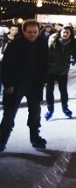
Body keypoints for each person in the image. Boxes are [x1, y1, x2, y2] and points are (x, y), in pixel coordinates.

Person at [0, 20, 49, 151]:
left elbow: (45, 63)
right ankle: (2, 140)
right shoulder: (14, 45)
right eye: (29, 32)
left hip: (35, 84)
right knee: (9, 114)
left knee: (35, 113)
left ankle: (35, 137)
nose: (32, 35)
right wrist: (8, 84)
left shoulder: (42, 43)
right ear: (23, 31)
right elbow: (6, 66)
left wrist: (44, 79)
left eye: (35, 32)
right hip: (16, 85)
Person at [45, 25, 76, 120]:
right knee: (49, 91)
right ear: (60, 33)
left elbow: (75, 54)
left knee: (63, 91)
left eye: (67, 32)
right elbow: (46, 54)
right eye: (64, 32)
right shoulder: (53, 41)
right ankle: (50, 109)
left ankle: (65, 108)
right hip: (51, 69)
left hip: (63, 70)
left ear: (70, 34)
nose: (65, 34)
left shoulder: (72, 43)